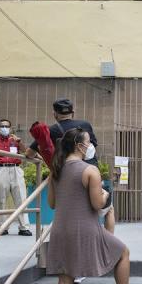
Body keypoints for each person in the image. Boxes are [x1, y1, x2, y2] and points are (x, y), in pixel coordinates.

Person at [44, 128, 142, 284]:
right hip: (86, 229)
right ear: (80, 146)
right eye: (89, 142)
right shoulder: (90, 170)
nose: (91, 146)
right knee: (123, 252)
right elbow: (97, 204)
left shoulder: (55, 170)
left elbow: (52, 204)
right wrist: (105, 194)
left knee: (65, 278)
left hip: (60, 229)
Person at [27, 98, 116, 234]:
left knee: (71, 212)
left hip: (65, 177)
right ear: (72, 112)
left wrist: (42, 157)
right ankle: (108, 245)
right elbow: (93, 149)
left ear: (54, 114)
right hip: (89, 175)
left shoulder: (50, 131)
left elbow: (29, 153)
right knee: (107, 209)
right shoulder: (84, 126)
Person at [0, 119, 32, 236]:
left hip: (16, 169)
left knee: (21, 198)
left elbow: (27, 152)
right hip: (1, 170)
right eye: (2, 126)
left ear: (11, 128)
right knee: (1, 199)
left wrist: (19, 142)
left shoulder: (15, 141)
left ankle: (24, 227)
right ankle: (3, 227)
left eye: (7, 126)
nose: (4, 128)